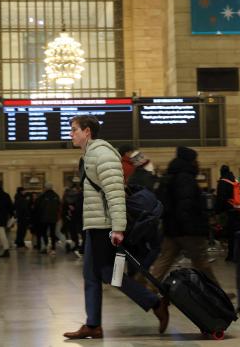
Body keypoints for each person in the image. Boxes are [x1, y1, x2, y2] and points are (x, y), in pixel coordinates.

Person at [63, 115, 168, 340]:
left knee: (107, 273)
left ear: (87, 131)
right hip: (95, 224)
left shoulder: (102, 154)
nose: (71, 134)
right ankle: (93, 325)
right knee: (94, 274)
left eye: (74, 130)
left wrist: (118, 228)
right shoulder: (91, 154)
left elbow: (115, 193)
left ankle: (155, 303)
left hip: (105, 226)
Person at [149, 146, 223, 285]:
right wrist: (191, 225)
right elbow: (185, 204)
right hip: (188, 230)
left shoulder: (169, 176)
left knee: (164, 260)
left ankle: (149, 290)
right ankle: (216, 293)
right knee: (201, 261)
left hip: (171, 228)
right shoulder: (186, 178)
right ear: (191, 161)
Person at [216, 165, 240, 262]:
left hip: (228, 211)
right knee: (237, 233)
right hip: (239, 210)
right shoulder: (234, 180)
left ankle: (231, 255)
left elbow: (220, 198)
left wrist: (217, 211)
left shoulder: (223, 182)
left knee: (230, 234)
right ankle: (239, 254)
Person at [35, 182, 61, 256]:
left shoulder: (42, 196)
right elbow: (59, 207)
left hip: (43, 218)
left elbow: (39, 208)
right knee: (52, 233)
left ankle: (46, 246)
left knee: (44, 233)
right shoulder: (56, 196)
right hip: (53, 218)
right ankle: (53, 248)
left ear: (45, 188)